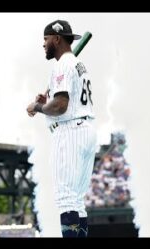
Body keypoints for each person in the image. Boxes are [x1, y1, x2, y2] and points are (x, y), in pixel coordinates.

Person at [26, 20, 96, 238]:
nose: (44, 44)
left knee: (66, 198)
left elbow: (60, 106)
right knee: (76, 199)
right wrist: (47, 100)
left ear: (56, 39)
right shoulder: (77, 64)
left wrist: (38, 107)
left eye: (46, 39)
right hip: (86, 130)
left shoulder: (62, 65)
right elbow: (62, 99)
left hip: (70, 131)